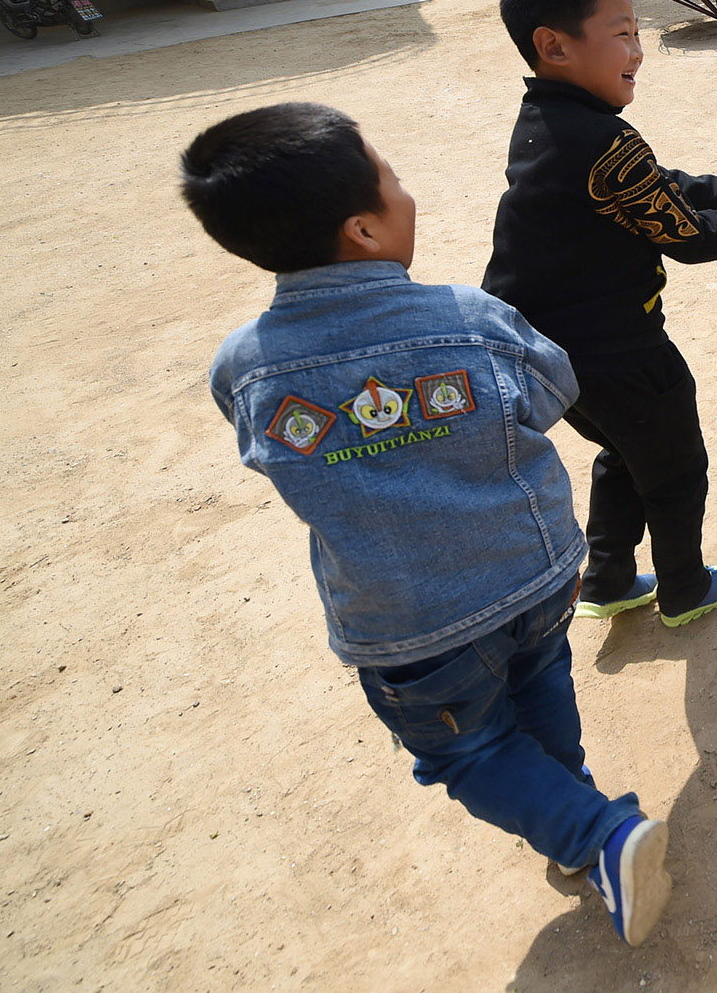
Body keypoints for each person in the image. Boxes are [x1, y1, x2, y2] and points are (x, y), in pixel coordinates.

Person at [185, 103, 672, 947]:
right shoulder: (471, 319)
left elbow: (258, 444)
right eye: (396, 179)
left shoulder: (246, 365)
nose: (410, 192)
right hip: (532, 572)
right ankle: (581, 823)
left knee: (466, 746)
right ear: (365, 228)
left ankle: (591, 834)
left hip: (411, 622)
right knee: (539, 683)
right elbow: (554, 390)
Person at [482, 0, 717, 623]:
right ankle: (686, 587)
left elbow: (663, 187)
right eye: (623, 34)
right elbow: (682, 233)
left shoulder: (550, 120)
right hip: (618, 350)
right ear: (555, 44)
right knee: (675, 466)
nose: (638, 51)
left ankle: (606, 578)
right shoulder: (603, 138)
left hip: (553, 350)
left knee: (626, 450)